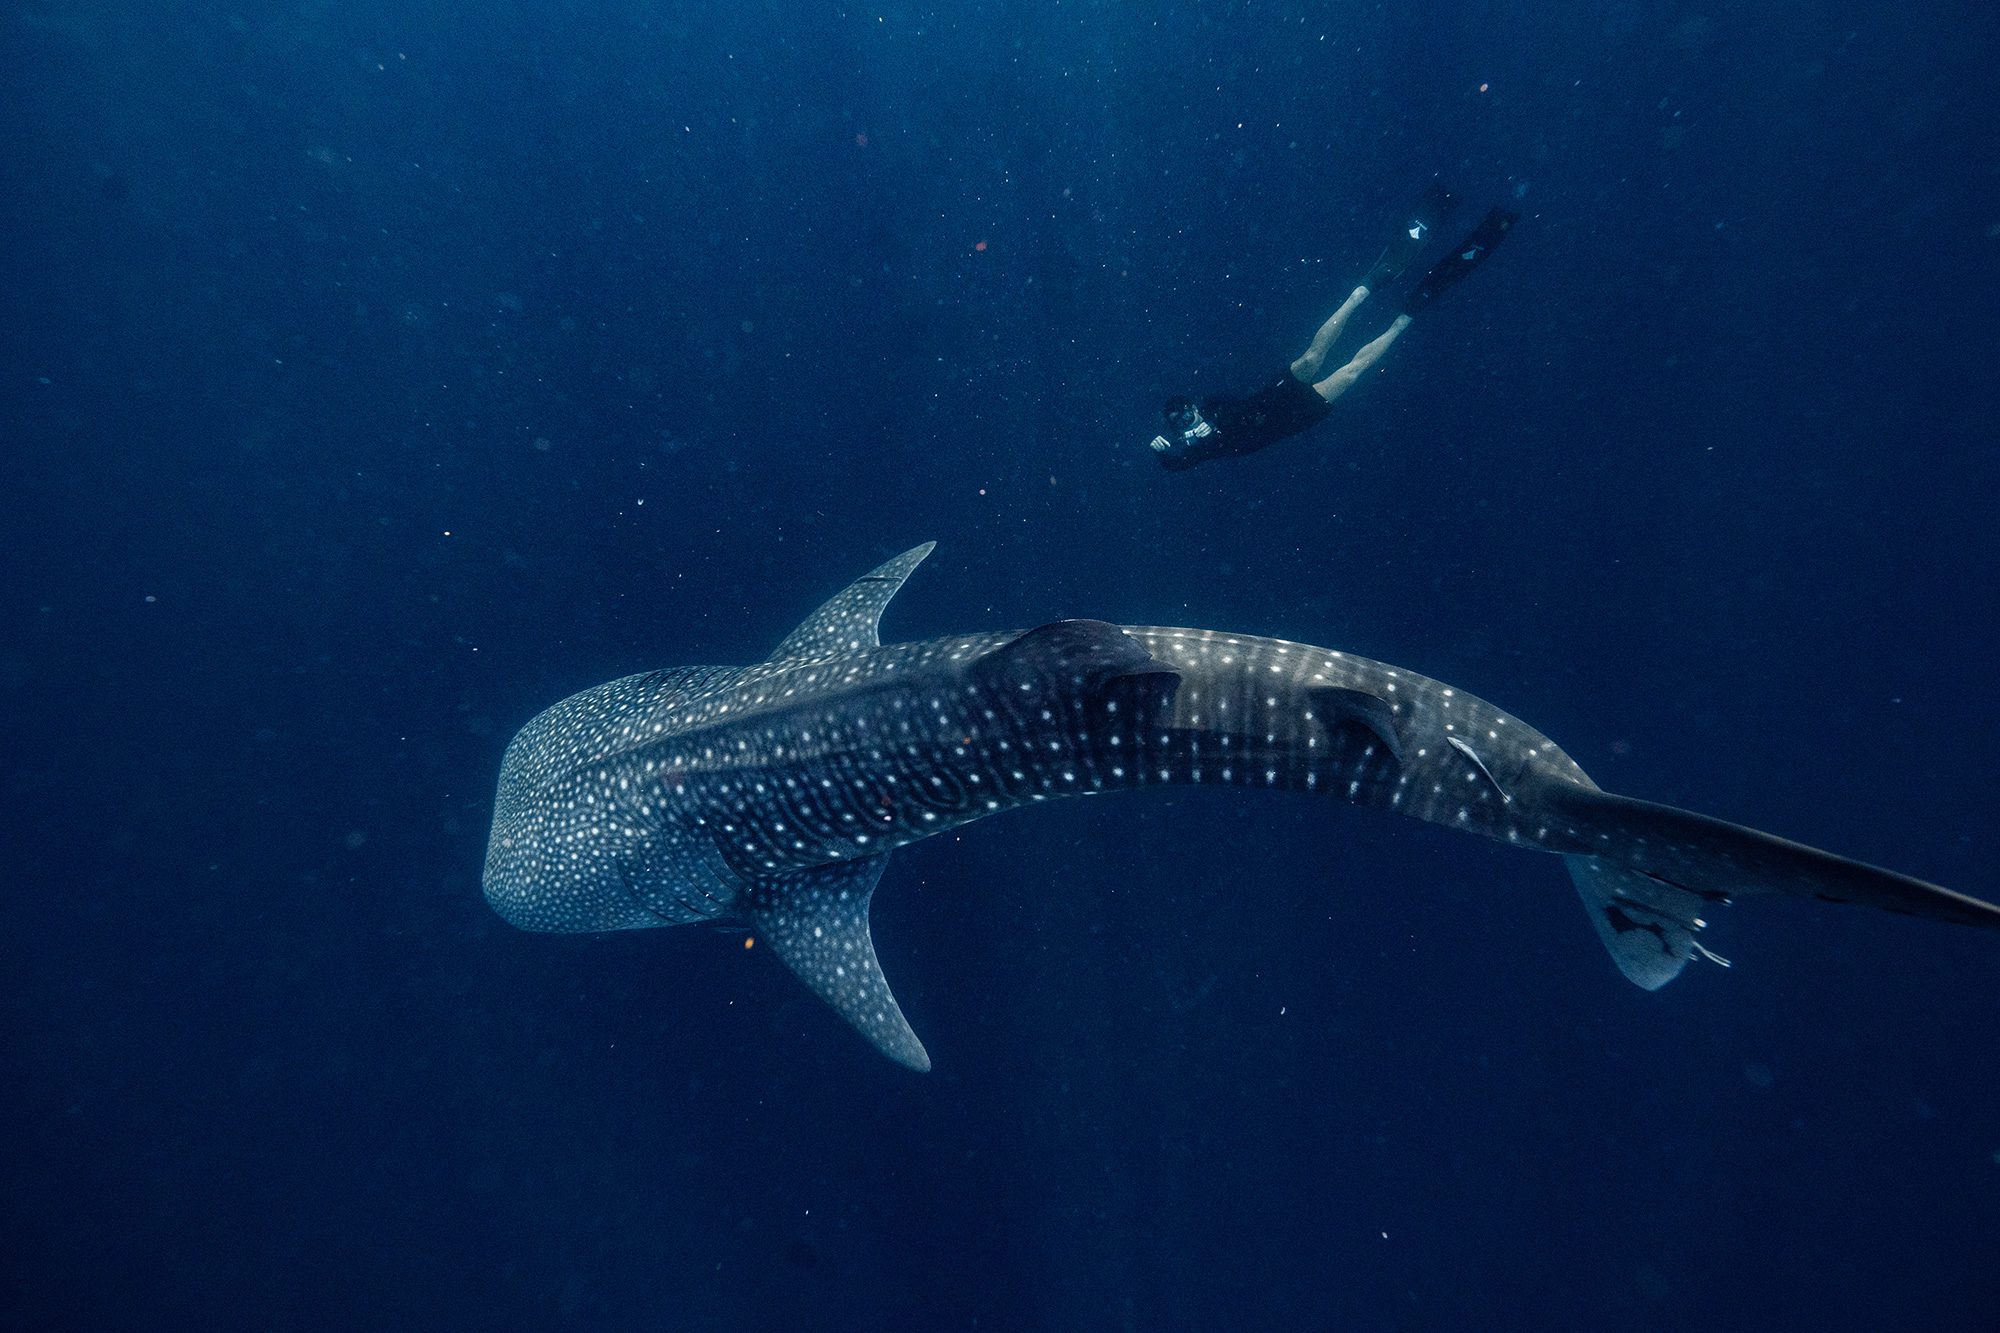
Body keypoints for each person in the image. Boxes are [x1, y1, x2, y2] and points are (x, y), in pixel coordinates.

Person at [1149, 187, 1519, 471]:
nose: (1184, 416)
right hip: (1296, 419)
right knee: (1353, 370)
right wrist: (1173, 452)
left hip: (1272, 398)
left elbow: (1232, 408)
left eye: (1183, 409)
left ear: (1190, 404)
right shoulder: (1197, 450)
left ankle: (1362, 290)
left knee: (1313, 354)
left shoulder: (1212, 406)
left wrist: (1210, 425)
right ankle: (1406, 316)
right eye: (1177, 418)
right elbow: (1183, 464)